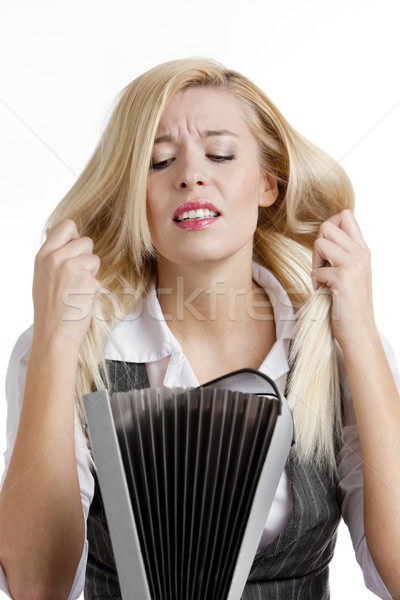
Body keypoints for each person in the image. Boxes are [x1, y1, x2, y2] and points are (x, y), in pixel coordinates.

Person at [0, 58, 399, 600]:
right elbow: (35, 586)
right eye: (160, 161)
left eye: (220, 154)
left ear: (267, 184)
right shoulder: (69, 348)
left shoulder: (339, 352)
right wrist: (54, 342)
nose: (191, 174)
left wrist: (361, 340)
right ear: (132, 197)